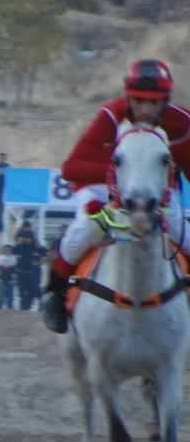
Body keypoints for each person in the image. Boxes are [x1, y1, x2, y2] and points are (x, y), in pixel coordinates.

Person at [41, 58, 189, 332]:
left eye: (154, 102)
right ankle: (55, 293)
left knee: (186, 239)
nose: (145, 109)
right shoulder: (110, 115)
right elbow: (71, 168)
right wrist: (120, 174)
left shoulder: (182, 124)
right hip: (102, 183)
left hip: (157, 188)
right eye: (138, 101)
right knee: (87, 228)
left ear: (165, 101)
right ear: (128, 98)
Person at [14, 227, 46, 311]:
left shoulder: (36, 247)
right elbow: (13, 250)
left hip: (34, 273)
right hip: (22, 273)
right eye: (26, 238)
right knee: (23, 292)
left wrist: (38, 242)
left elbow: (44, 251)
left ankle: (41, 305)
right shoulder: (20, 246)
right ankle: (24, 308)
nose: (28, 240)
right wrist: (19, 241)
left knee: (34, 290)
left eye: (29, 238)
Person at [0, 245, 17, 309]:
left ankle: (10, 313)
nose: (7, 251)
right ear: (3, 250)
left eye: (9, 250)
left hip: (10, 281)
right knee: (0, 298)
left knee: (10, 299)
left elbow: (15, 269)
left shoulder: (14, 258)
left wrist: (14, 277)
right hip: (1, 281)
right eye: (5, 249)